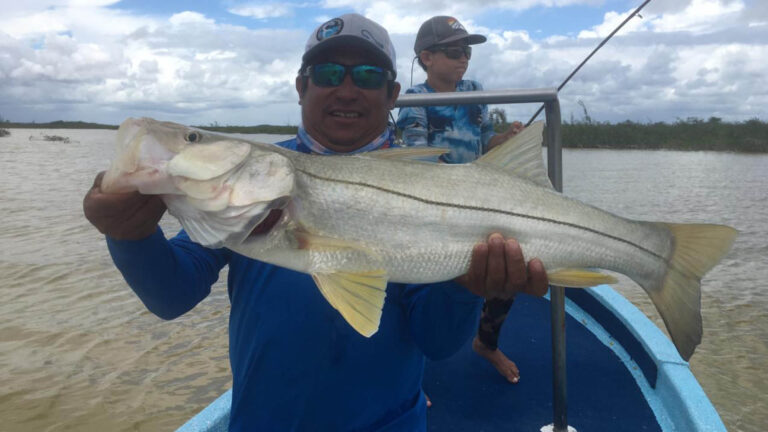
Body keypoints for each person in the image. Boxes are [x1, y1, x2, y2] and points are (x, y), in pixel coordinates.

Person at [84, 13, 548, 431]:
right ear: (301, 87)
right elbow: (171, 295)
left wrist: (464, 287)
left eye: (367, 75)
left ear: (391, 95)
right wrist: (131, 237)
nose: (346, 89)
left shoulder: (431, 186)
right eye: (327, 74)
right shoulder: (252, 183)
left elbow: (438, 341)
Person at [397, 16, 526, 385]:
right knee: (421, 290)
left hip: (479, 200)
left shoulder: (474, 89)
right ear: (426, 58)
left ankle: (487, 343)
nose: (463, 59)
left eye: (467, 51)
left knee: (505, 270)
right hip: (434, 204)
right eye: (454, 51)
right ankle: (407, 379)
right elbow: (418, 159)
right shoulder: (414, 101)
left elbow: (486, 140)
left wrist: (507, 138)